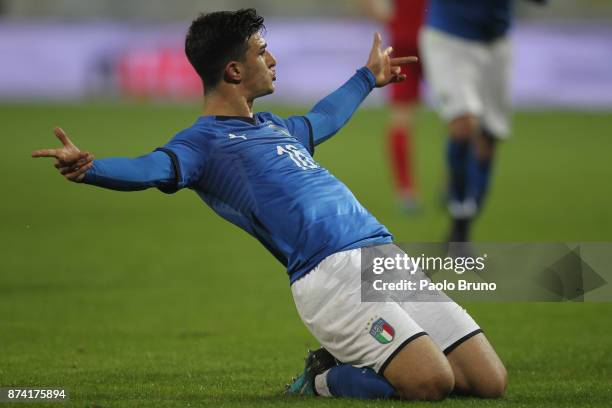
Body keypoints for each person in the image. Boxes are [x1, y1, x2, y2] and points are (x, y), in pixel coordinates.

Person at [32, 9, 506, 401]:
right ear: (234, 71)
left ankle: (368, 359)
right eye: (262, 52)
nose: (273, 59)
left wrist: (368, 77)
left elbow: (324, 117)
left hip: (382, 255)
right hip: (329, 276)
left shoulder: (275, 127)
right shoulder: (202, 144)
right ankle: (325, 378)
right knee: (431, 383)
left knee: (488, 382)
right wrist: (91, 169)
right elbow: (152, 168)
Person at [419, 0, 545, 242]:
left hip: (496, 41)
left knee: (489, 137)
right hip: (449, 36)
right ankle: (459, 216)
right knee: (463, 125)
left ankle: (462, 227)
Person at [362, 0, 427, 211]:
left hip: (405, 34)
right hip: (441, 36)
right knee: (460, 117)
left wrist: (390, 17)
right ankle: (457, 189)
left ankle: (406, 192)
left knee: (401, 118)